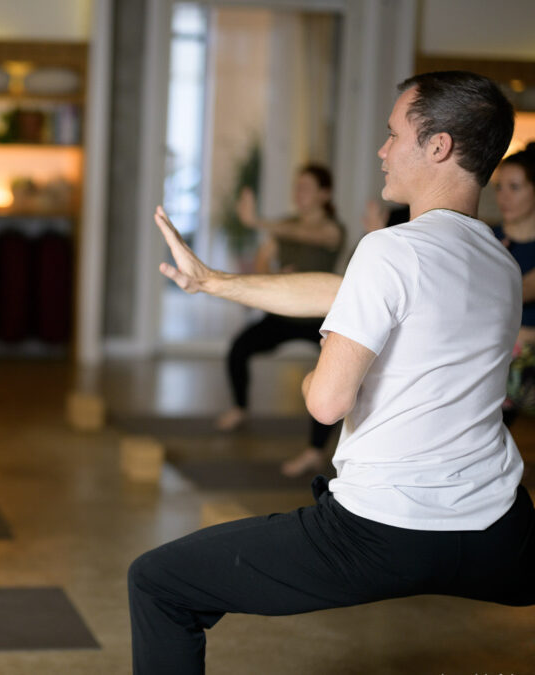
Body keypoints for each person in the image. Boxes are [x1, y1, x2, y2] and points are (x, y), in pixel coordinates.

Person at [129, 70, 534, 674]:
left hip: (381, 533)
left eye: (394, 133)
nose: (382, 150)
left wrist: (314, 376)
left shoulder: (389, 248)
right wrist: (214, 281)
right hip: (497, 532)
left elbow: (326, 402)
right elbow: (345, 291)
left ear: (439, 145)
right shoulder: (497, 261)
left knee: (158, 582)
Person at [215, 165, 345, 478]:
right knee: (239, 347)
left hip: (318, 319)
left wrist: (257, 221)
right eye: (296, 186)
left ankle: (315, 452)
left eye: (306, 188)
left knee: (327, 380)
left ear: (324, 194)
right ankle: (240, 408)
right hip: (284, 314)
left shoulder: (333, 229)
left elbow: (312, 235)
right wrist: (275, 277)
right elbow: (262, 265)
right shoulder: (283, 226)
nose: (298, 193)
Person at [492, 142, 535, 424]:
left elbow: (511, 296)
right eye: (499, 187)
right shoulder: (485, 238)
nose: (504, 197)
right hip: (493, 356)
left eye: (515, 187)